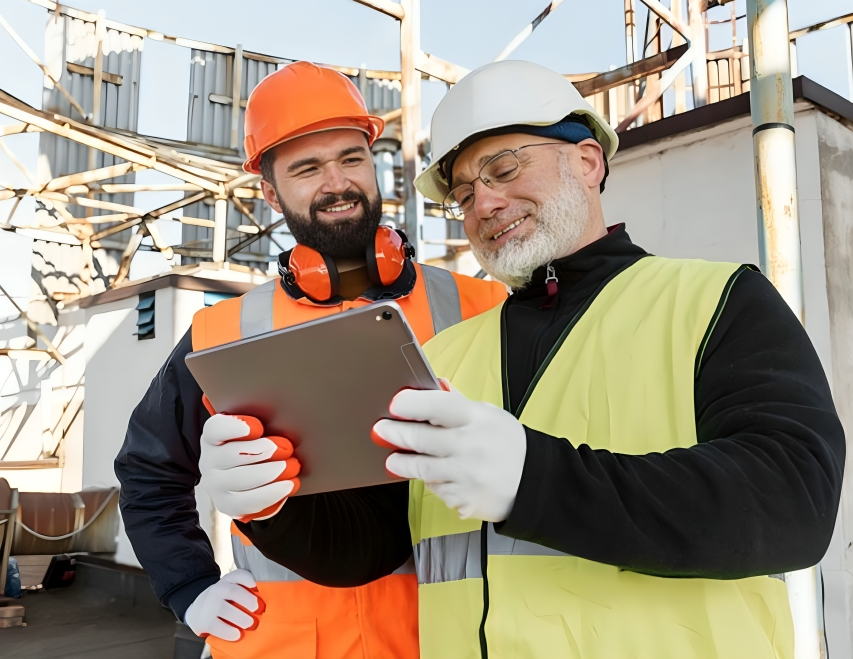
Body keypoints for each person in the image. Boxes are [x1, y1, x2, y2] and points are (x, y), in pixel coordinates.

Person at [230, 61, 845, 659]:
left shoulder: (717, 301)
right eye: (464, 193)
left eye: (503, 166)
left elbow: (794, 500)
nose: (486, 204)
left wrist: (536, 481)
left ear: (587, 160)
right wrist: (273, 503)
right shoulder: (445, 354)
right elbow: (369, 546)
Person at [115, 61, 506, 659]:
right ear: (270, 192)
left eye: (351, 158)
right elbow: (149, 471)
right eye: (306, 168)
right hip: (284, 644)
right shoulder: (222, 330)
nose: (338, 182)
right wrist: (187, 585)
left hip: (445, 640)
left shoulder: (482, 305)